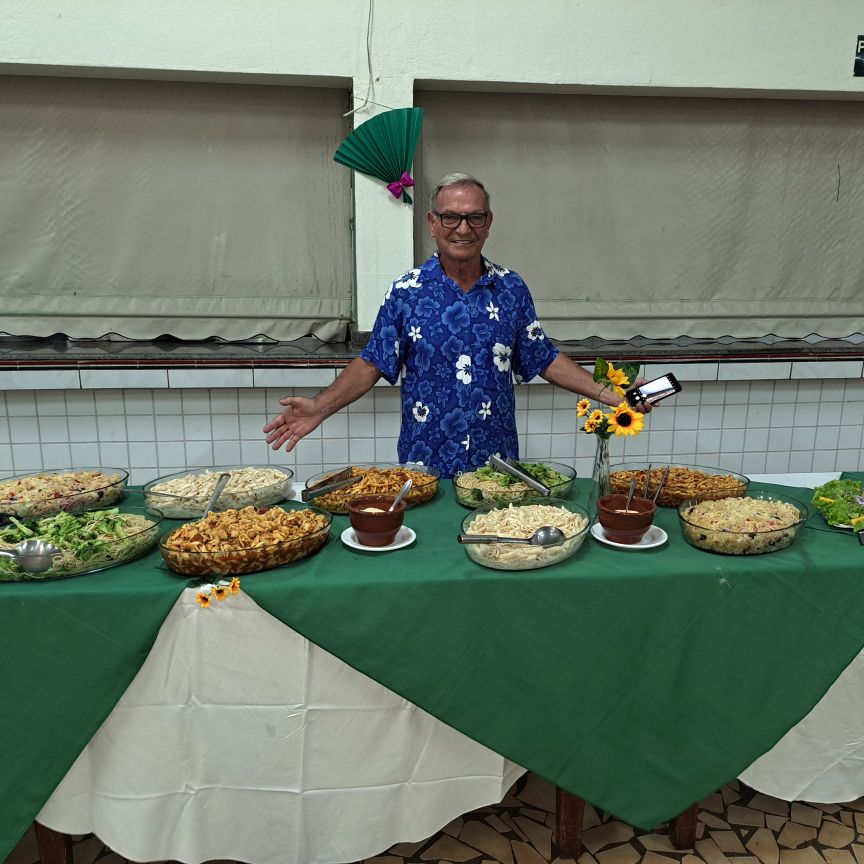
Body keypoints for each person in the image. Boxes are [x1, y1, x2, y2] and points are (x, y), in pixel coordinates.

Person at [264, 172, 639, 478]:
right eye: (450, 217)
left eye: (475, 217)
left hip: (497, 466)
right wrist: (320, 407)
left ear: (488, 224)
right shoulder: (406, 291)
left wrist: (609, 393)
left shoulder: (511, 288)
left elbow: (543, 357)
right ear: (433, 223)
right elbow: (372, 362)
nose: (463, 228)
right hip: (425, 464)